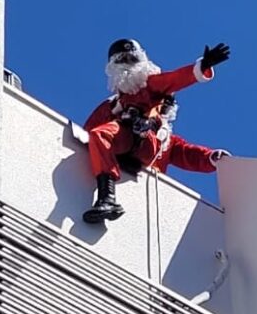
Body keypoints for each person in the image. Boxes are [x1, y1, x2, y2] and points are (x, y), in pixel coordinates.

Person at [81, 38, 232, 224]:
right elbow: (87, 132)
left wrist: (213, 157)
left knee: (102, 134)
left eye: (131, 58)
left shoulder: (164, 132)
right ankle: (107, 198)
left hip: (145, 149)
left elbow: (188, 154)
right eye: (122, 59)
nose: (127, 63)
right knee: (99, 134)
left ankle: (107, 197)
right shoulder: (113, 104)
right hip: (125, 137)